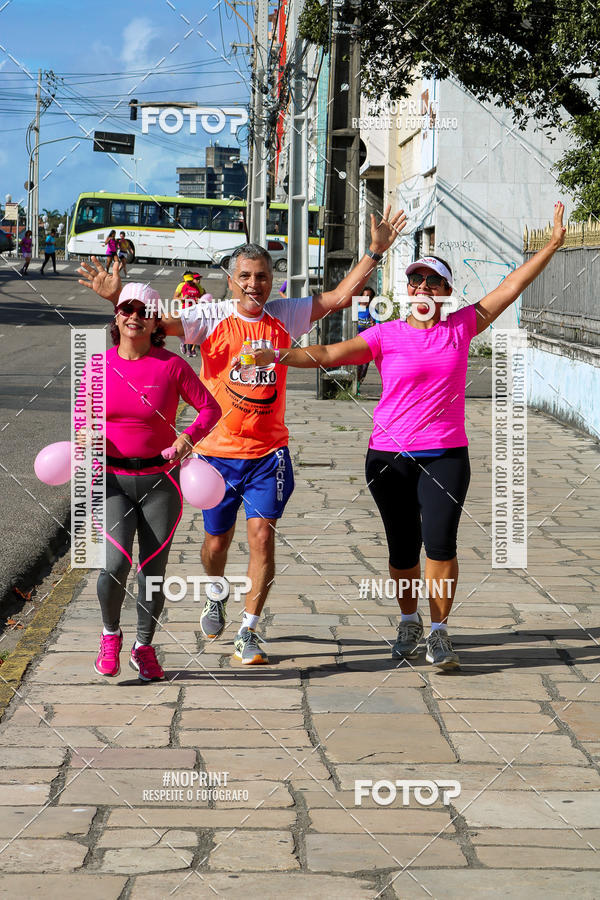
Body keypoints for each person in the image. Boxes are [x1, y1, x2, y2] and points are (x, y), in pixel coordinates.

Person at [77, 204, 406, 665]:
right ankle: (215, 593)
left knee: (262, 537)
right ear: (232, 280)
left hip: (268, 454)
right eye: (246, 276)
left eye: (263, 276)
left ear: (273, 281)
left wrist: (373, 252)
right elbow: (148, 324)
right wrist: (118, 299)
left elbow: (334, 298)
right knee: (216, 545)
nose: (255, 284)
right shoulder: (209, 316)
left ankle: (250, 631)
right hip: (214, 457)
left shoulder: (285, 315)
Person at [248, 203, 567, 670]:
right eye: (415, 281)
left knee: (440, 544)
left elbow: (511, 286)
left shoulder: (462, 326)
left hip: (444, 456)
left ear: (446, 292)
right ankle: (409, 619)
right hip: (387, 458)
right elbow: (329, 354)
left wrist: (553, 245)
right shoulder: (386, 334)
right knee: (402, 550)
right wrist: (277, 355)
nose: (421, 288)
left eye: (431, 283)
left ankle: (439, 633)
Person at [75, 283, 221, 681]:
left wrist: (188, 437)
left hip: (162, 481)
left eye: (144, 310)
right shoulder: (97, 365)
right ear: (117, 316)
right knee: (114, 564)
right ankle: (110, 635)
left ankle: (143, 646)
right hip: (113, 479)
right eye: (127, 308)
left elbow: (210, 407)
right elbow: (80, 417)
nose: (134, 315)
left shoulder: (170, 365)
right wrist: (86, 434)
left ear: (156, 320)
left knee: (153, 571)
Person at [356, 286, 376, 392]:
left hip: (367, 343)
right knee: (355, 365)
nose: (366, 298)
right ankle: (351, 386)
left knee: (364, 366)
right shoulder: (355, 309)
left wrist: (374, 325)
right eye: (364, 295)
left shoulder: (372, 311)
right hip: (354, 342)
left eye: (369, 296)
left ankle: (358, 386)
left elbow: (378, 326)